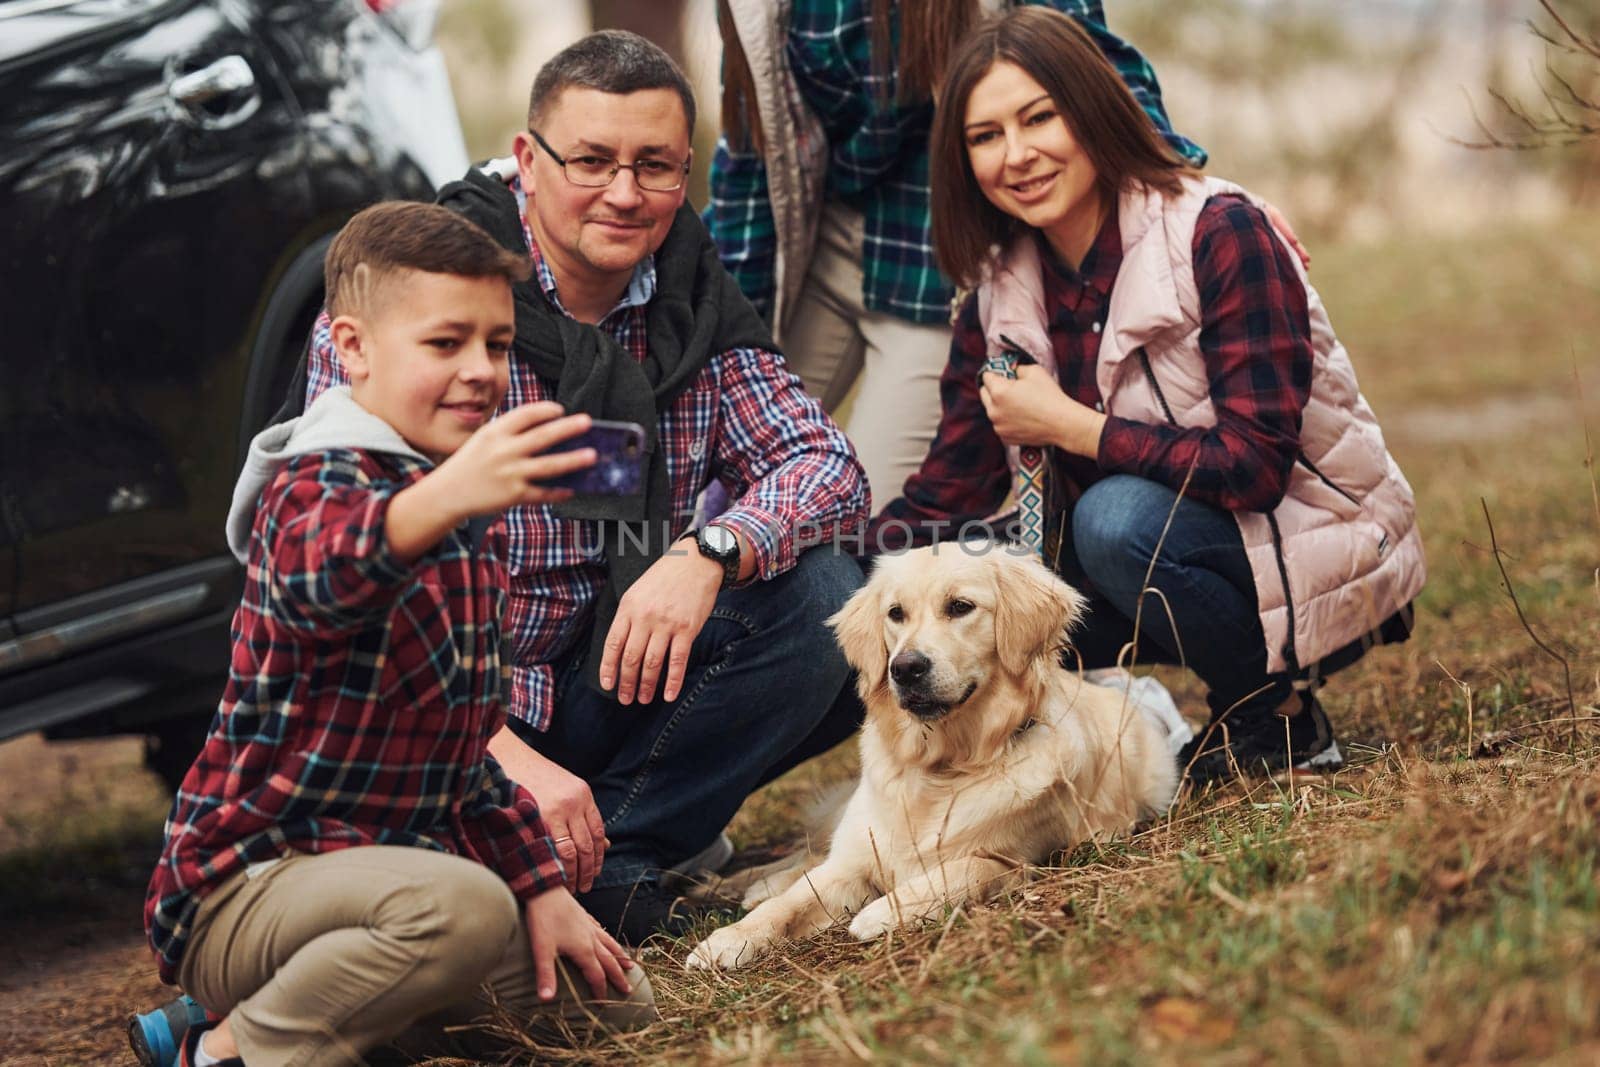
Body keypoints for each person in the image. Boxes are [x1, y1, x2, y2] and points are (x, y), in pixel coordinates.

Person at [292, 31, 868, 940]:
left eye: (656, 166)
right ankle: (532, 849)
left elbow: (826, 466)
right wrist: (504, 755)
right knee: (425, 921)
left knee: (833, 602)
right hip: (441, 710)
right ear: (527, 159)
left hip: (604, 673)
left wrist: (708, 549)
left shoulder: (691, 293)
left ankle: (622, 846)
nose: (625, 194)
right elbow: (347, 586)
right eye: (591, 160)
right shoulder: (421, 298)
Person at [138, 201, 655, 1067]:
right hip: (248, 886)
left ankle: (348, 1024)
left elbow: (463, 755)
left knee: (612, 1008)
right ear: (352, 349)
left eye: (495, 344)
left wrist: (541, 887)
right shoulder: (312, 484)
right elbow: (322, 576)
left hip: (393, 880)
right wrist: (450, 495)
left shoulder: (456, 510)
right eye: (445, 343)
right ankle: (224, 1049)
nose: (480, 371)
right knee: (461, 913)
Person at [867, 6, 1425, 782]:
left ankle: (1278, 719)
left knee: (1112, 519)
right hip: (1142, 559)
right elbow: (948, 490)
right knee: (968, 578)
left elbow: (1255, 465)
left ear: (1091, 109)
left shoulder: (1221, 231)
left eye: (1039, 118)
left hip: (1308, 547)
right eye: (985, 137)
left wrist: (1070, 426)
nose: (1017, 155)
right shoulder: (997, 290)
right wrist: (841, 568)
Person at [709, 0, 1210, 507]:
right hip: (812, 248)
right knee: (706, 474)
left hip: (930, 263)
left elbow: (1085, 62)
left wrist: (1186, 191)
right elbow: (751, 149)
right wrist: (716, 324)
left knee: (863, 513)